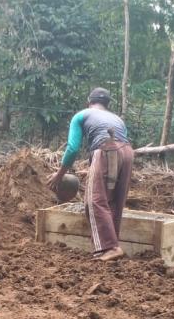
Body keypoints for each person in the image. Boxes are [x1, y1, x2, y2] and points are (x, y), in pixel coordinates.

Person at [47, 88, 135, 262]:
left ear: (89, 102)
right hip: (128, 153)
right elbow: (118, 147)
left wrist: (59, 175)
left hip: (105, 149)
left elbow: (72, 149)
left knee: (94, 200)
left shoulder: (82, 115)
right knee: (114, 201)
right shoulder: (117, 119)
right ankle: (112, 246)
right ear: (107, 104)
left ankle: (110, 247)